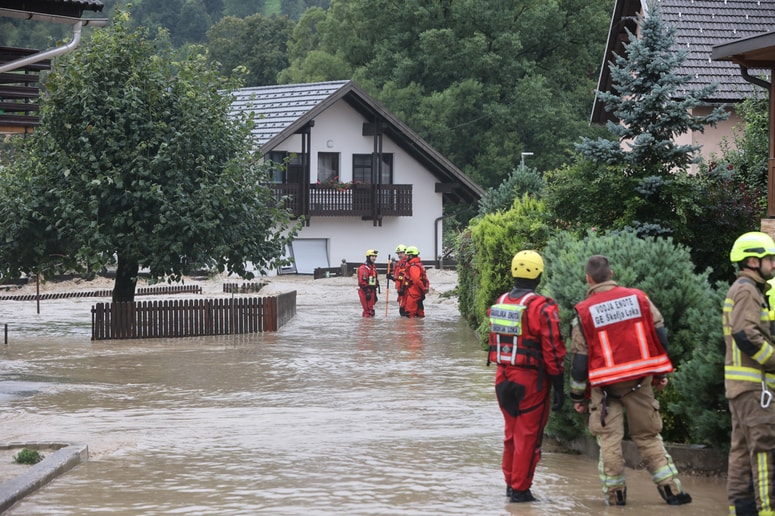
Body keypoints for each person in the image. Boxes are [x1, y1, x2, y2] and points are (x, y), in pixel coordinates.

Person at [569, 255, 691, 507]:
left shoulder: (583, 312)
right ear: (611, 274)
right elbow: (660, 336)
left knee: (609, 442)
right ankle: (672, 492)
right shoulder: (639, 298)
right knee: (648, 437)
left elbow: (579, 363)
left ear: (588, 279)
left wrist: (578, 398)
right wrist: (660, 374)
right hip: (640, 382)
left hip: (604, 391)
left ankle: (616, 500)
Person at [487, 250, 566, 503]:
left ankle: (511, 484)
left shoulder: (500, 302)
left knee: (511, 433)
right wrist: (560, 386)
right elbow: (553, 350)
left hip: (503, 378)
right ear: (539, 274)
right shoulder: (542, 307)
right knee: (528, 437)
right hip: (530, 381)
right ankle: (521, 491)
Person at [723, 232, 775, 516]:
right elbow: (745, 333)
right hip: (755, 389)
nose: (773, 264)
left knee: (741, 454)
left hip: (742, 388)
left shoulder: (745, 288)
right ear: (753, 261)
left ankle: (740, 511)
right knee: (765, 450)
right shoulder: (747, 290)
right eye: (770, 259)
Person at [401, 246, 428, 318]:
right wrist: (424, 289)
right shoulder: (419, 265)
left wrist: (423, 289)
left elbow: (416, 280)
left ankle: (412, 328)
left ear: (411, 255)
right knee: (419, 312)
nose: (406, 257)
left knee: (410, 313)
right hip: (418, 291)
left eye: (407, 255)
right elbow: (425, 280)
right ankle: (419, 327)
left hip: (413, 292)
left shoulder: (413, 266)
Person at [357, 249, 380, 317]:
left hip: (372, 290)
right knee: (368, 311)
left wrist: (375, 293)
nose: (374, 258)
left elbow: (374, 280)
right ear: (368, 257)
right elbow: (362, 281)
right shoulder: (364, 268)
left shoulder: (372, 267)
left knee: (371, 310)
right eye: (372, 256)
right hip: (365, 291)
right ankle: (366, 326)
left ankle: (369, 326)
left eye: (375, 256)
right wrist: (367, 292)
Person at [388, 244, 409, 316]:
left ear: (405, 253)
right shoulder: (399, 263)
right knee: (402, 307)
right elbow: (398, 276)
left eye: (401, 253)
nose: (399, 255)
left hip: (405, 289)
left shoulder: (407, 263)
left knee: (404, 309)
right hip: (400, 289)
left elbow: (405, 277)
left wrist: (403, 288)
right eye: (398, 253)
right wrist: (392, 277)